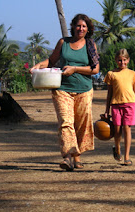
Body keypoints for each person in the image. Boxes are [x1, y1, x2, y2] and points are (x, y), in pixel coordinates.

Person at [30, 14, 100, 171]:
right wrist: (38, 66)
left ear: (88, 29)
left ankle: (77, 156)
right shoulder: (63, 43)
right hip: (62, 89)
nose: (80, 29)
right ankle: (67, 158)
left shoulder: (90, 45)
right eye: (78, 25)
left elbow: (95, 69)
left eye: (84, 26)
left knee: (81, 124)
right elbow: (51, 61)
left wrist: (75, 69)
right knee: (65, 122)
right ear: (73, 26)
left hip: (84, 90)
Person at [104, 49, 135, 166]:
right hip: (116, 105)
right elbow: (109, 94)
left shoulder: (133, 74)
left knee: (127, 129)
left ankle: (127, 156)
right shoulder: (111, 74)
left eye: (124, 60)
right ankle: (117, 148)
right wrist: (106, 110)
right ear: (116, 60)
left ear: (128, 60)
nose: (122, 63)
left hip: (130, 104)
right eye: (120, 60)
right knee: (117, 130)